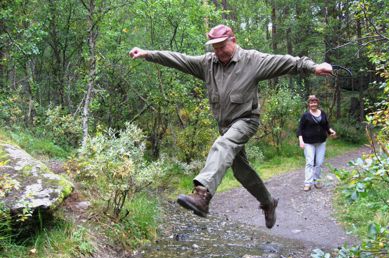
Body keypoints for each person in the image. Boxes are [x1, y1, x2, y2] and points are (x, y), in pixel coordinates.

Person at [129, 24, 333, 229]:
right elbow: (178, 59)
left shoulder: (252, 61)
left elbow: (286, 62)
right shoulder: (207, 63)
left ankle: (202, 196)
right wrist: (148, 54)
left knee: (223, 145)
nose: (218, 52)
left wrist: (313, 67)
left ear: (233, 41)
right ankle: (268, 203)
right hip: (226, 126)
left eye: (221, 47)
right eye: (214, 48)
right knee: (241, 172)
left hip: (246, 120)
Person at [297, 95, 336, 191]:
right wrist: (301, 141)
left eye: (315, 102)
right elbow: (300, 129)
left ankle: (317, 180)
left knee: (319, 163)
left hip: (321, 142)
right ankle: (307, 183)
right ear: (309, 104)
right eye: (311, 102)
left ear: (317, 103)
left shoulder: (323, 113)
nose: (313, 104)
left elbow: (326, 126)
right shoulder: (305, 116)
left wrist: (331, 131)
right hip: (308, 143)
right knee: (309, 162)